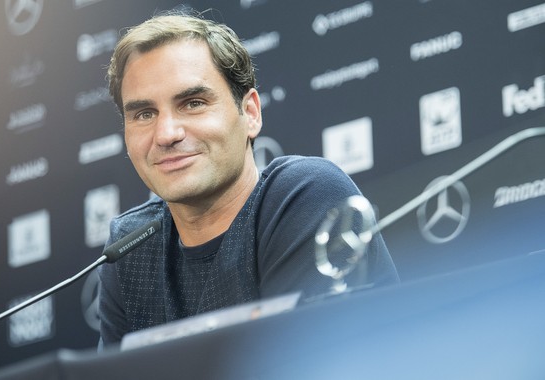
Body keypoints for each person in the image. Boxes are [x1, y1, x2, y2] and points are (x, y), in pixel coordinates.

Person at [98, 10, 399, 349]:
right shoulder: (131, 248)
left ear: (251, 113)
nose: (166, 133)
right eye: (144, 114)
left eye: (193, 103)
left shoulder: (305, 196)